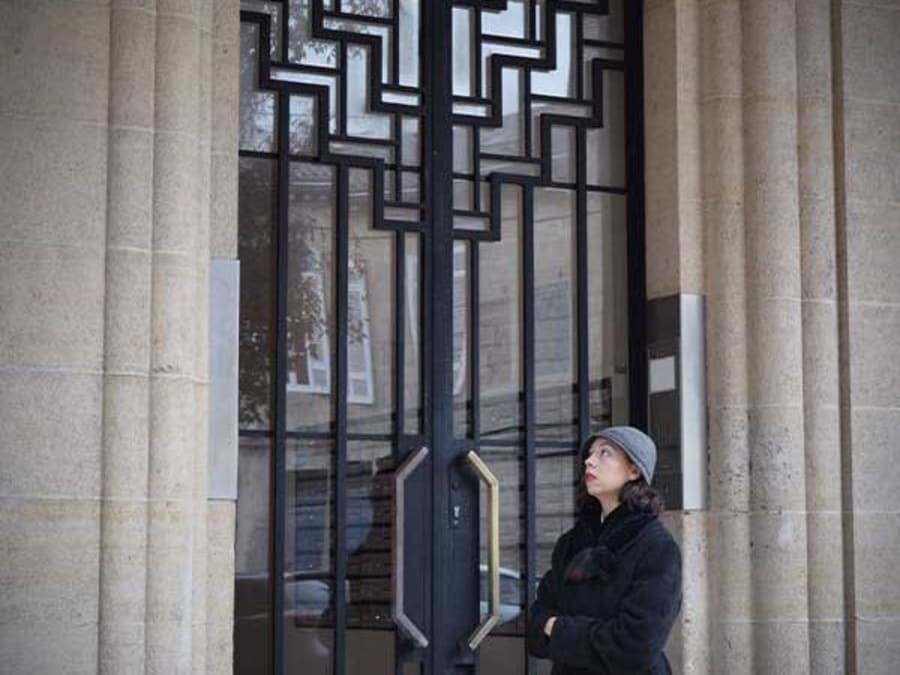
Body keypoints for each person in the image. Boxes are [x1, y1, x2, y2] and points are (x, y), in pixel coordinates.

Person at [526, 426, 682, 674]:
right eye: (590, 453)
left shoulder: (657, 548)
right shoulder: (571, 543)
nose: (589, 461)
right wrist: (594, 636)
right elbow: (535, 628)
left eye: (604, 453)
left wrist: (558, 629)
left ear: (634, 470)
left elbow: (636, 646)